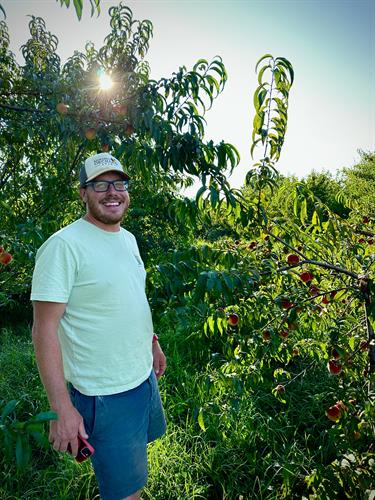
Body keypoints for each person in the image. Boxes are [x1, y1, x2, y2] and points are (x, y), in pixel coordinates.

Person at [31, 152, 167, 500]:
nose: (112, 192)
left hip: (141, 379)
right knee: (126, 494)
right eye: (100, 184)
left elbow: (132, 297)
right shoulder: (64, 246)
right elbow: (44, 329)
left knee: (137, 467)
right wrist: (62, 407)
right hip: (104, 395)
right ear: (83, 193)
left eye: (119, 183)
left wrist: (152, 342)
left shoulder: (128, 239)